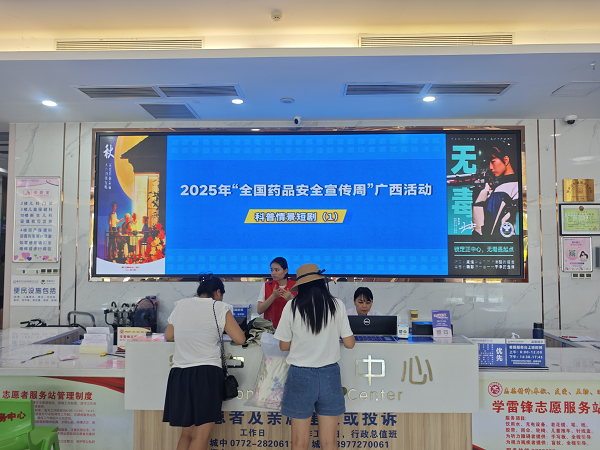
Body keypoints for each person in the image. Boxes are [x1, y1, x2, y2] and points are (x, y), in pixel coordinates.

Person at [274, 263, 355, 450]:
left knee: (299, 443)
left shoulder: (292, 306)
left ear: (301, 285)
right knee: (329, 442)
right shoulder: (337, 305)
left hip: (300, 375)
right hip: (330, 376)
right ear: (321, 282)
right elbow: (349, 343)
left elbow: (283, 345)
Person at [164, 274, 246, 450]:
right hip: (206, 375)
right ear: (218, 292)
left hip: (180, 375)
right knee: (201, 435)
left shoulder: (180, 305)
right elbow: (240, 338)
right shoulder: (219, 307)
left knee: (187, 434)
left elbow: (169, 335)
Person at [472, 146, 519, 237]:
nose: (490, 167)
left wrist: (479, 200)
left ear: (506, 160)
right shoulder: (513, 185)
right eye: (488, 163)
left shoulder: (502, 190)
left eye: (493, 162)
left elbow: (487, 227)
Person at [256, 257, 296, 327]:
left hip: (290, 327)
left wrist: (291, 300)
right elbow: (259, 310)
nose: (273, 273)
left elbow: (302, 311)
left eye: (277, 270)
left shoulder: (296, 286)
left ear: (286, 270)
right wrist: (273, 296)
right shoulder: (266, 285)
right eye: (271, 270)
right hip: (270, 328)